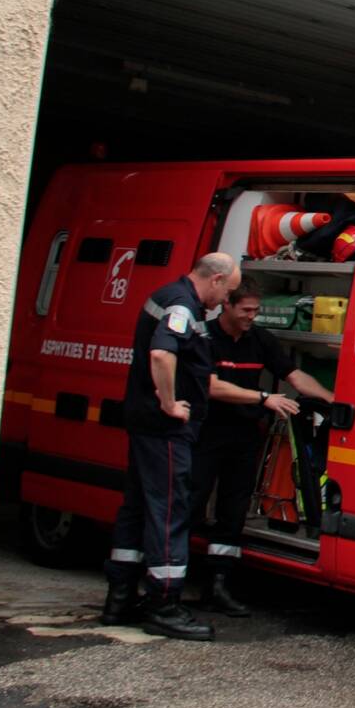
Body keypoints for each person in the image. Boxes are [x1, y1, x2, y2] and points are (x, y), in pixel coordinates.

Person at [100, 252, 241, 640]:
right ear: (214, 279)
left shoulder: (170, 296)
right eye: (226, 292)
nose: (224, 302)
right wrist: (168, 402)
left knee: (137, 507)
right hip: (164, 429)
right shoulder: (181, 305)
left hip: (148, 426)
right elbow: (162, 352)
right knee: (168, 511)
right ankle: (164, 603)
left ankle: (120, 596)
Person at [193, 277, 334, 616]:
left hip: (243, 437)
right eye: (246, 310)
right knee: (189, 504)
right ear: (226, 305)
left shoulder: (259, 340)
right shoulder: (206, 338)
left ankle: (218, 586)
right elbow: (212, 387)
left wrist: (333, 400)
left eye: (256, 310)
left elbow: (294, 376)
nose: (251, 316)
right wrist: (263, 398)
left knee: (232, 511)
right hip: (207, 434)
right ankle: (171, 583)